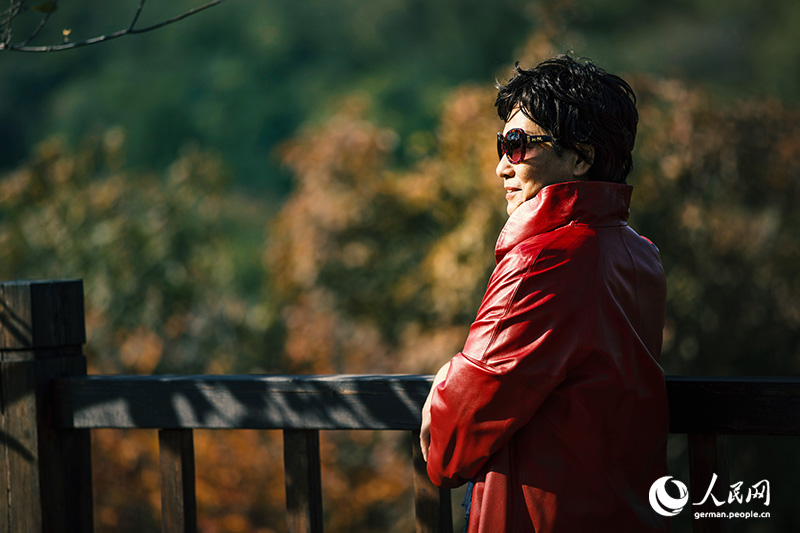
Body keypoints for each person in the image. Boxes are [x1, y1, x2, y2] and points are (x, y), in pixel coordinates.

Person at [419, 55, 669, 532]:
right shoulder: (641, 256)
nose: (501, 167)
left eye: (517, 145)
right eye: (501, 145)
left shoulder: (545, 260)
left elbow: (450, 450)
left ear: (581, 157)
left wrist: (448, 376)